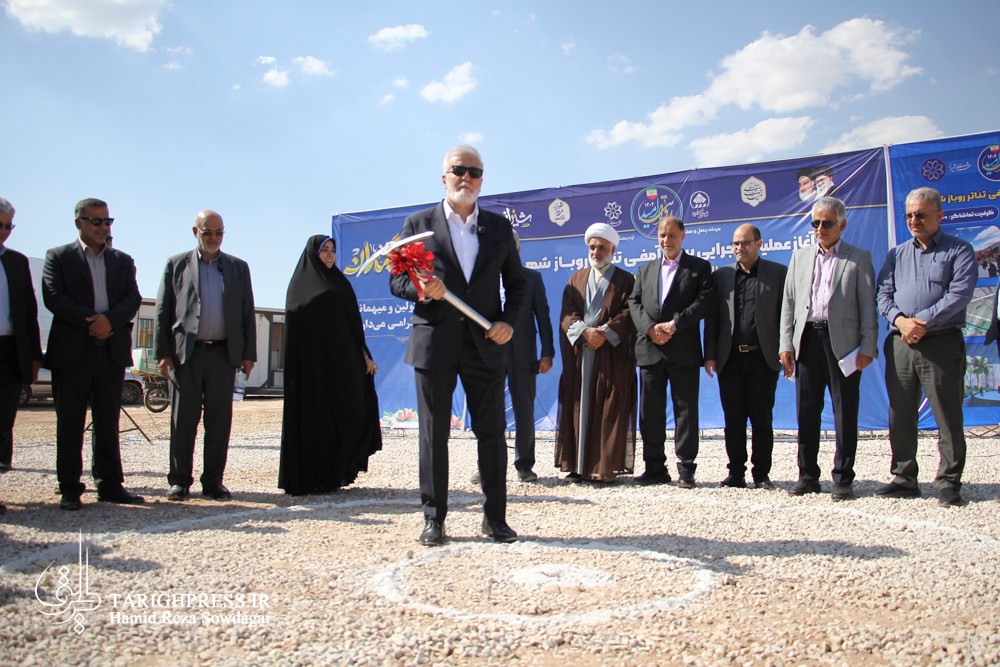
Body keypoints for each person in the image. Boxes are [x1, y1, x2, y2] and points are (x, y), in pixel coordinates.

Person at [389, 145, 526, 546]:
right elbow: (396, 280)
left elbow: (517, 284)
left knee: (492, 433)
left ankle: (495, 519)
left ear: (482, 180)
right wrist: (422, 289)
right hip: (435, 343)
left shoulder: (499, 227)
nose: (466, 177)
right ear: (444, 177)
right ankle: (434, 520)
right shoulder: (418, 224)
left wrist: (508, 322)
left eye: (474, 172)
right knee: (434, 435)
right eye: (458, 170)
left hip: (485, 342)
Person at [877, 187, 977, 506]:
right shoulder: (896, 255)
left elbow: (959, 294)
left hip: (941, 343)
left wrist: (921, 322)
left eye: (920, 214)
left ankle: (948, 481)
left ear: (939, 215)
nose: (913, 220)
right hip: (901, 343)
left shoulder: (959, 250)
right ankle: (904, 477)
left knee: (947, 415)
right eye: (909, 215)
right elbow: (883, 295)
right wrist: (901, 321)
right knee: (900, 413)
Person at [42, 198, 143, 510]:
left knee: (107, 422)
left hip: (109, 353)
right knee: (70, 423)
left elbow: (132, 298)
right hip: (72, 352)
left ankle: (110, 485)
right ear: (79, 223)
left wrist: (109, 321)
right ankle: (70, 488)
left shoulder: (122, 261)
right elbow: (53, 297)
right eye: (96, 221)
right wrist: (92, 322)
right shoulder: (59, 257)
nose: (103, 227)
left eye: (107, 221)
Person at [779, 196, 878, 501]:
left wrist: (868, 347)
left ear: (842, 225)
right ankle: (807, 475)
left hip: (844, 346)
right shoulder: (800, 257)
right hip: (807, 340)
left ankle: (843, 478)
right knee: (806, 411)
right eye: (815, 223)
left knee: (844, 412)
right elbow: (789, 303)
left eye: (827, 223)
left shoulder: (858, 258)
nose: (820, 228)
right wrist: (786, 344)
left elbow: (868, 306)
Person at [154, 210, 256, 502]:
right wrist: (163, 353)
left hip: (224, 356)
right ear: (195, 232)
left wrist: (248, 354)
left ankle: (213, 481)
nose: (213, 237)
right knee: (183, 421)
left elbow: (247, 312)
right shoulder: (176, 264)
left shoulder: (238, 267)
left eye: (219, 232)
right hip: (187, 355)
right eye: (207, 232)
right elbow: (162, 312)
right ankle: (179, 481)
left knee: (219, 422)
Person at [279, 235, 382, 495]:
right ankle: (312, 477)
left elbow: (353, 326)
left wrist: (364, 355)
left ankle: (338, 472)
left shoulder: (340, 283)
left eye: (333, 250)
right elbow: (297, 320)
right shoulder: (299, 286)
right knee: (315, 418)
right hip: (312, 370)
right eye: (324, 250)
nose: (329, 254)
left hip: (343, 365)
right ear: (313, 254)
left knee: (352, 409)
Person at [630, 216, 714, 488]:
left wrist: (675, 324)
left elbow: (704, 301)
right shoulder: (645, 270)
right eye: (662, 235)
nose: (667, 240)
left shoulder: (699, 268)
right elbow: (634, 302)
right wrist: (650, 328)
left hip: (683, 350)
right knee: (650, 413)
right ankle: (654, 467)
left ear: (683, 236)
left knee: (685, 410)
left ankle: (686, 468)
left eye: (672, 235)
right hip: (650, 349)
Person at [703, 223, 787, 490]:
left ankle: (761, 474)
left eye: (745, 243)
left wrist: (787, 350)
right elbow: (713, 319)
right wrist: (710, 355)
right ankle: (736, 473)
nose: (740, 248)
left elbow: (786, 316)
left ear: (759, 244)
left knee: (762, 419)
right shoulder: (722, 276)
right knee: (733, 420)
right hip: (730, 359)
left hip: (763, 359)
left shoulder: (778, 274)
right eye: (736, 243)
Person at [554, 223, 637, 482]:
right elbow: (567, 313)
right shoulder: (576, 279)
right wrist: (585, 333)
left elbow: (629, 314)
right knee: (578, 406)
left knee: (608, 408)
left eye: (602, 247)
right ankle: (576, 466)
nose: (596, 252)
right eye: (592, 247)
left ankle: (604, 468)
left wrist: (605, 333)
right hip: (581, 355)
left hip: (610, 356)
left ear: (613, 250)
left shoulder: (626, 280)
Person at [474, 231, 554, 484]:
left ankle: (524, 465)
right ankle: (486, 465)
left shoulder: (532, 278)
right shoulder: (483, 280)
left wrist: (547, 353)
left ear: (517, 250)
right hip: (489, 354)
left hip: (523, 355)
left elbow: (543, 317)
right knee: (488, 410)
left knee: (524, 410)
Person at [0, 197, 42, 476]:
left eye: (9, 226)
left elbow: (29, 312)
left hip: (9, 350)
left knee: (5, 414)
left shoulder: (16, 262)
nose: (4, 231)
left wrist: (35, 356)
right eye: (0, 225)